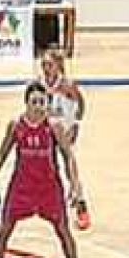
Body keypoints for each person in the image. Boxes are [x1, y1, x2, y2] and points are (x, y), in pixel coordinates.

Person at [0, 83, 88, 258]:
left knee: (63, 229)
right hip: (22, 186)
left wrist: (75, 184)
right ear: (26, 103)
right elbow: (2, 154)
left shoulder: (54, 127)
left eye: (42, 102)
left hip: (48, 187)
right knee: (5, 229)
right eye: (34, 102)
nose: (38, 106)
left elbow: (68, 157)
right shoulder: (16, 126)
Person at [36, 48, 89, 228]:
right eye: (43, 64)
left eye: (49, 65)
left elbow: (81, 104)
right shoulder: (39, 83)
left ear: (58, 65)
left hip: (65, 129)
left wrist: (76, 125)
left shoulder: (67, 84)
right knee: (48, 166)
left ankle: (81, 203)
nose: (46, 68)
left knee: (70, 166)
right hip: (47, 130)